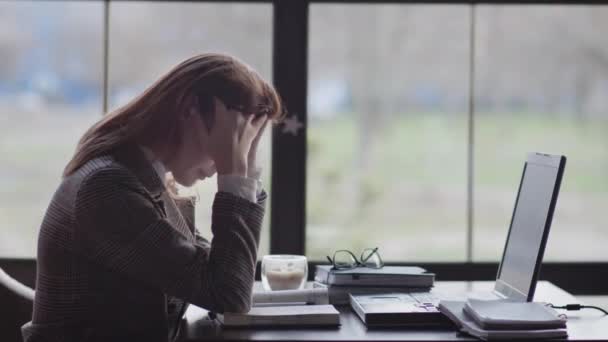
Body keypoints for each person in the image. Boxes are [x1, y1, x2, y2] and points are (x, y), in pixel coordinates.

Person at [21, 53, 283, 342]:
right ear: (190, 111)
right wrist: (234, 175)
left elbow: (214, 273)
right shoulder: (108, 188)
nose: (234, 154)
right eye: (234, 137)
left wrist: (246, 173)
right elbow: (226, 293)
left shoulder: (142, 178)